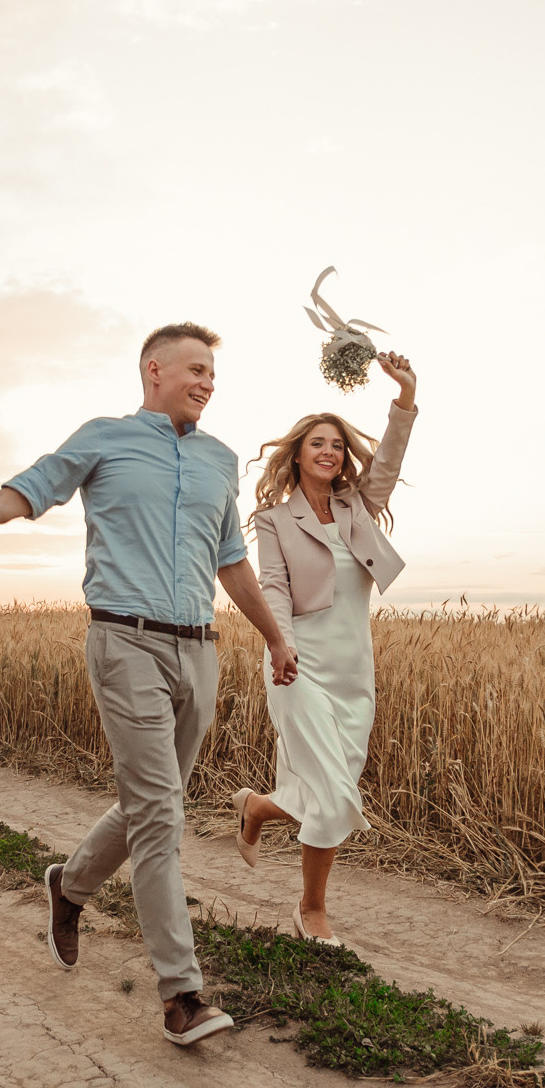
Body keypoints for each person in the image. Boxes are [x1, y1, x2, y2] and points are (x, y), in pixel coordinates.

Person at [0, 323, 299, 1048]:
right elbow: (9, 499)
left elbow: (231, 560)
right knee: (160, 816)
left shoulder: (219, 461)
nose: (208, 383)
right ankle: (183, 995)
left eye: (213, 375)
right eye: (196, 370)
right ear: (154, 370)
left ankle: (68, 888)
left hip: (198, 652)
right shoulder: (103, 439)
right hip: (125, 641)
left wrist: (272, 635)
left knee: (153, 801)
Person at [231, 350, 417, 946]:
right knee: (335, 792)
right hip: (297, 661)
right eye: (318, 443)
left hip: (352, 664)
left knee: (328, 785)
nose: (330, 451)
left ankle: (259, 807)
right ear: (298, 454)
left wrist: (404, 398)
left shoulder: (357, 506)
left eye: (337, 444)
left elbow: (385, 463)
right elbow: (275, 588)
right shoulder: (272, 519)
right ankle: (312, 910)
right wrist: (279, 645)